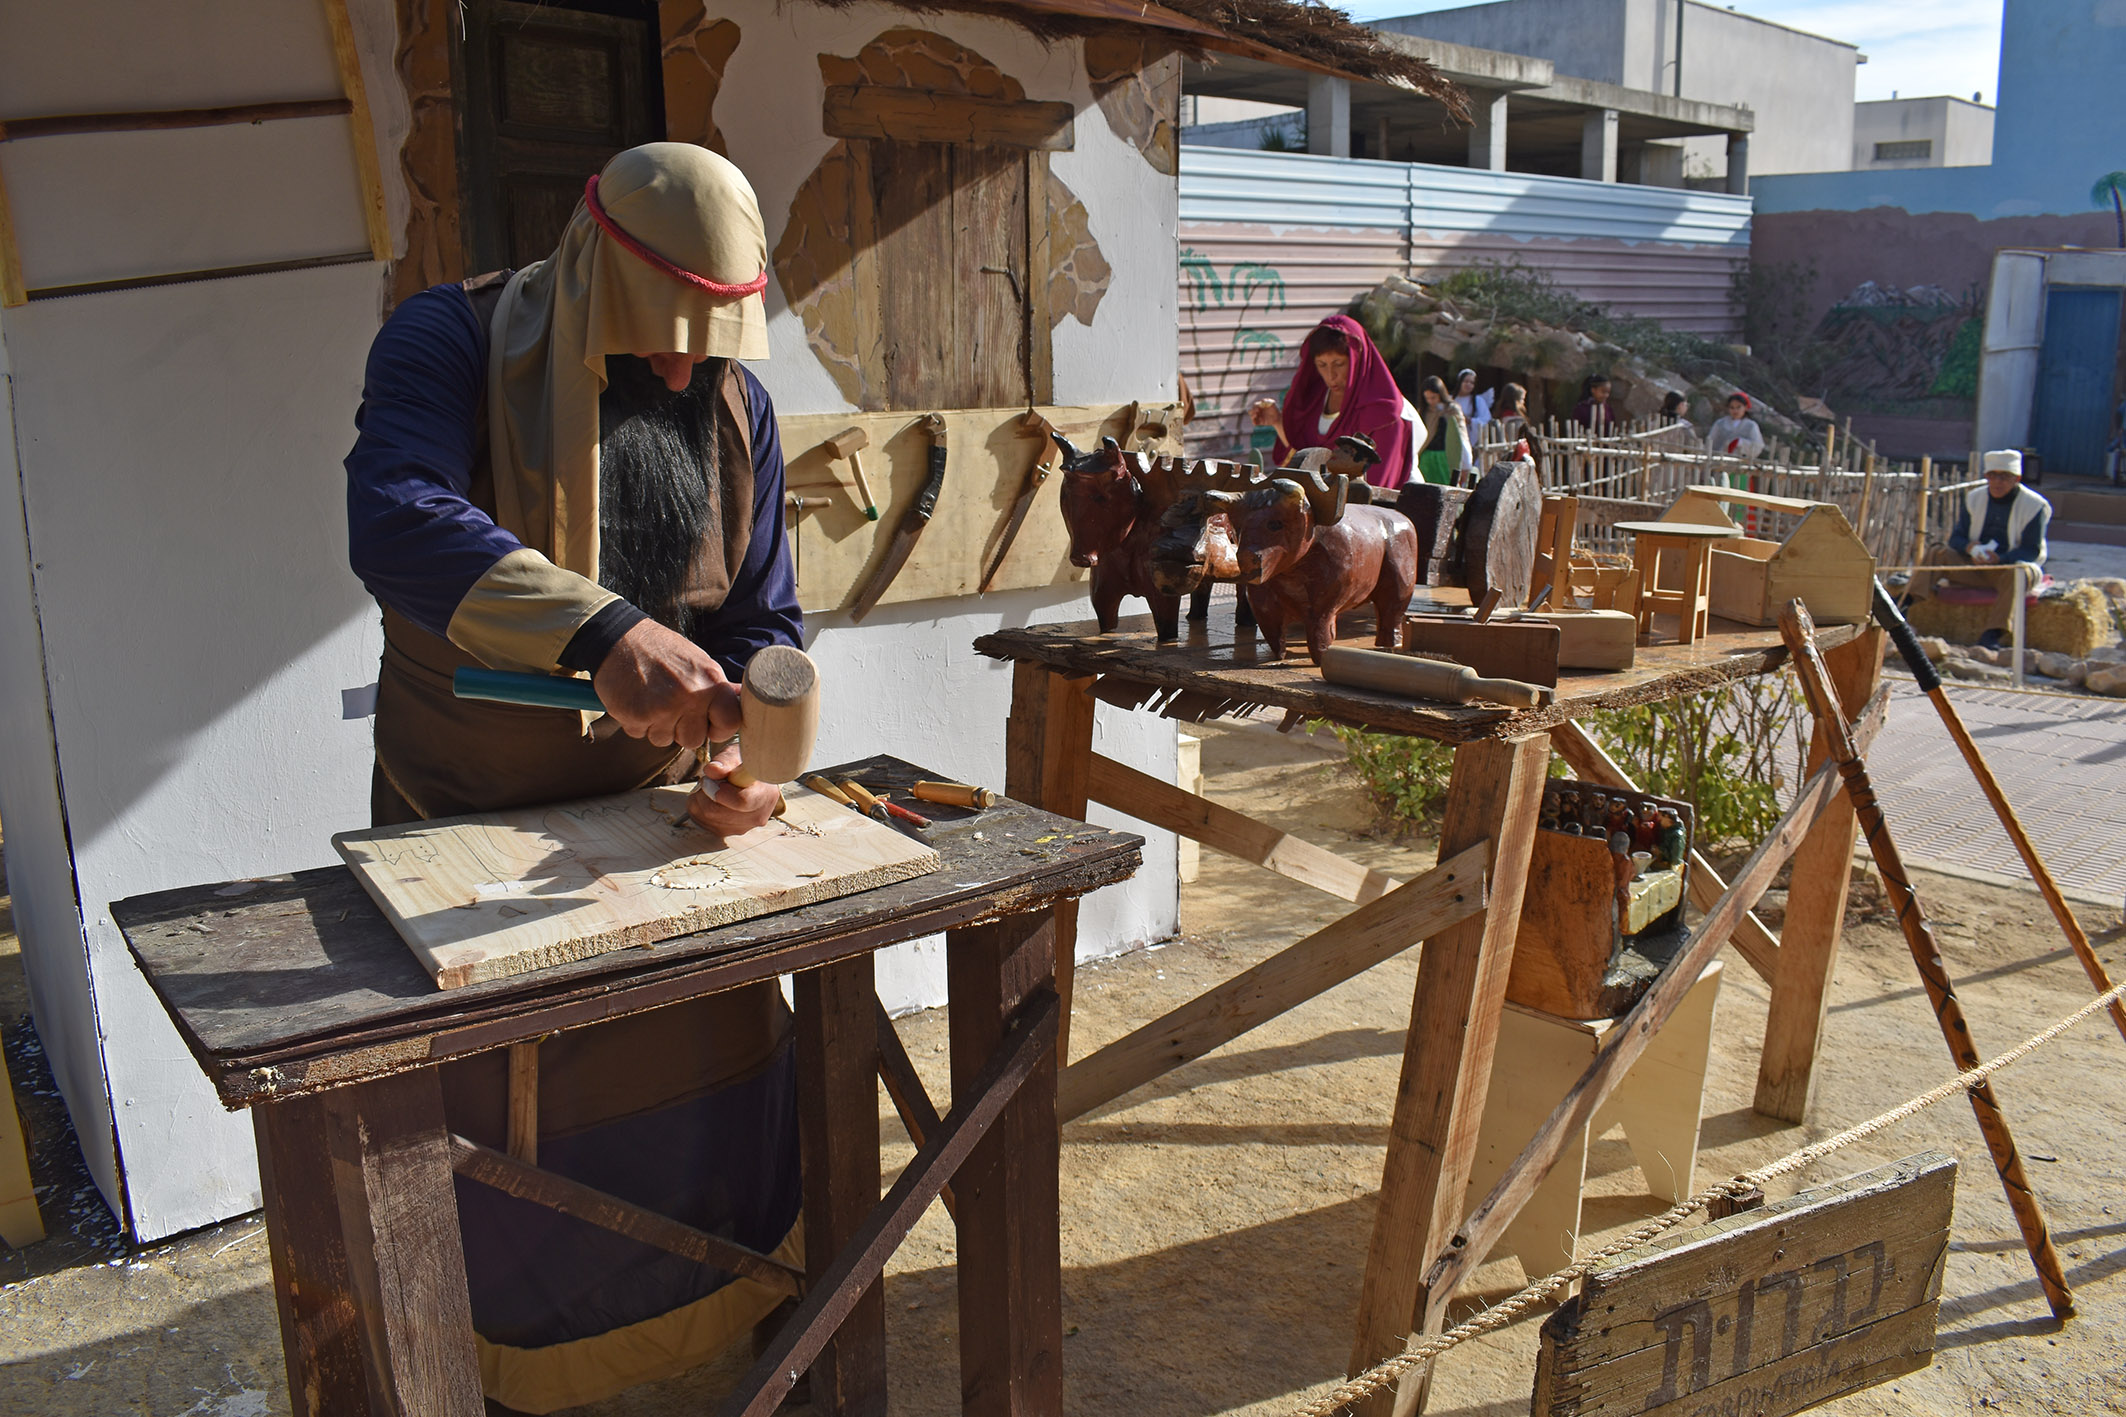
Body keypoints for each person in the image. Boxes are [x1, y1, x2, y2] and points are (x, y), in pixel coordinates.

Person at [344, 144, 804, 1414]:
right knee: (513, 1128)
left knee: (710, 1093)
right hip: (469, 822)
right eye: (657, 336)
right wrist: (603, 632)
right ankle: (518, 1377)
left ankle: (739, 1329)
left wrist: (751, 751)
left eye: (708, 345)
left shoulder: (734, 402)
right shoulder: (446, 339)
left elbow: (767, 615)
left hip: (672, 831)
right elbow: (391, 518)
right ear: (593, 269)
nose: (677, 369)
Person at [1908, 449, 2053, 651]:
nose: (1997, 482)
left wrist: (2000, 559)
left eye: (2004, 477)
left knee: (2020, 573)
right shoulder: (1975, 498)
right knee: (1937, 552)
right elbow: (1956, 538)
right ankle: (1905, 605)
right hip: (1973, 566)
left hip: (2005, 571)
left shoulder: (2035, 506)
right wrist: (1970, 548)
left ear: (2016, 479)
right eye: (1992, 476)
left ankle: (1993, 633)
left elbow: (2031, 551)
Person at [1250, 314, 1413, 488]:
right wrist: (1278, 422)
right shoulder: (1314, 400)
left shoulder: (1384, 414)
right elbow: (1304, 459)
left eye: (1339, 363)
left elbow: (1375, 490)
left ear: (1358, 361)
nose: (1330, 375)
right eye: (1322, 365)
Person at [1415, 374, 1477, 484]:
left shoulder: (1452, 410)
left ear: (1440, 394)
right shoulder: (1425, 411)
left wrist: (1466, 462)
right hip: (1426, 458)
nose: (1430, 401)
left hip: (1445, 458)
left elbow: (1461, 435)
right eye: (1427, 398)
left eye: (1433, 397)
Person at [1491, 381, 1543, 471]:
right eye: (1522, 400)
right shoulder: (1515, 419)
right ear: (1516, 401)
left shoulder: (1500, 415)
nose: (1523, 403)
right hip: (1513, 452)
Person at [1706, 391, 1766, 460]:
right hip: (1719, 460)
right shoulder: (1720, 424)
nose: (1735, 410)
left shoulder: (1751, 426)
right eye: (1732, 407)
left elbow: (1757, 446)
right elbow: (1710, 442)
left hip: (1740, 462)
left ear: (1745, 408)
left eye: (1738, 407)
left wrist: (1740, 442)